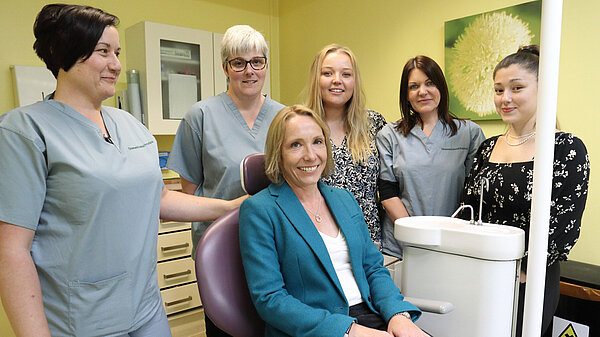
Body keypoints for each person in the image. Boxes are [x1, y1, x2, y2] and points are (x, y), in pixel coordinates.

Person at [0, 4, 245, 337]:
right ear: (61, 52)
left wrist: (230, 207)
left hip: (145, 309)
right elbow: (11, 250)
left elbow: (158, 198)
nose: (116, 64)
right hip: (77, 320)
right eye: (103, 52)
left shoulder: (131, 126)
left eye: (116, 52)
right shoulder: (24, 132)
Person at [239, 105, 428, 337]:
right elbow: (270, 299)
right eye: (295, 145)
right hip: (318, 328)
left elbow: (373, 269)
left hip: (372, 316)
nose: (310, 155)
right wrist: (349, 330)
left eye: (317, 142)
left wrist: (398, 316)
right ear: (278, 152)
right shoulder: (259, 210)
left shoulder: (343, 199)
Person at [461, 45, 589, 337]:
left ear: (543, 89)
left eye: (516, 88)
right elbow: (467, 210)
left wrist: (524, 270)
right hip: (481, 272)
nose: (505, 98)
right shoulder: (487, 148)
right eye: (498, 89)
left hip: (531, 278)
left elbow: (564, 224)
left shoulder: (566, 148)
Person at [166, 24, 284, 336]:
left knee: (274, 325)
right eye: (238, 62)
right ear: (225, 67)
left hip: (275, 247)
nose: (249, 71)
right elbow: (188, 195)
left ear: (266, 65)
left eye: (257, 62)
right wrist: (230, 208)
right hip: (222, 249)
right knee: (226, 327)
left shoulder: (284, 118)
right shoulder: (200, 117)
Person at [376, 55, 484, 257]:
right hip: (402, 245)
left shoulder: (469, 133)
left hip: (452, 244)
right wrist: (417, 237)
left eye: (430, 83)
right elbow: (388, 193)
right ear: (406, 95)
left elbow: (474, 194)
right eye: (413, 86)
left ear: (441, 87)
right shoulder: (389, 135)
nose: (422, 92)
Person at [304, 44, 386, 244]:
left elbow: (390, 184)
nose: (337, 80)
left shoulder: (374, 124)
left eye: (346, 74)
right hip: (319, 241)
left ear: (355, 81)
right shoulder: (301, 125)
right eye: (327, 73)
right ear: (316, 78)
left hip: (368, 241)